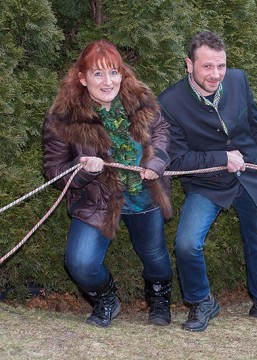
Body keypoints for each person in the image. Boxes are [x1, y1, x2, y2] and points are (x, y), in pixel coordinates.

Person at [157, 31, 257, 332]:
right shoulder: (169, 102)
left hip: (251, 176)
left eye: (221, 66)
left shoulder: (238, 80)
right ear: (189, 65)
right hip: (207, 184)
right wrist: (221, 157)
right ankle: (202, 302)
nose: (216, 74)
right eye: (207, 67)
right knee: (186, 244)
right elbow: (177, 161)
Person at [43, 40, 174, 328]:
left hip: (145, 197)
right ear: (82, 77)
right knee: (79, 263)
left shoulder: (140, 99)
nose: (108, 81)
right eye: (98, 74)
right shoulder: (61, 118)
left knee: (154, 255)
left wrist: (157, 161)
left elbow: (163, 131)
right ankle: (106, 300)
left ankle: (159, 299)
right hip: (97, 202)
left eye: (113, 72)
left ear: (122, 73)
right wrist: (83, 172)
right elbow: (53, 171)